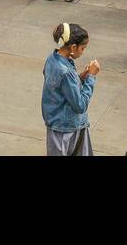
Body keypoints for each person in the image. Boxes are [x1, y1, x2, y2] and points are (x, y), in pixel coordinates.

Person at [41, 22, 98, 156]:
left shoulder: (52, 59)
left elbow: (60, 87)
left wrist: (81, 77)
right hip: (67, 129)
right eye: (82, 48)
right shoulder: (66, 71)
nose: (83, 52)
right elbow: (80, 105)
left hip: (56, 123)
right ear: (73, 47)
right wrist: (91, 77)